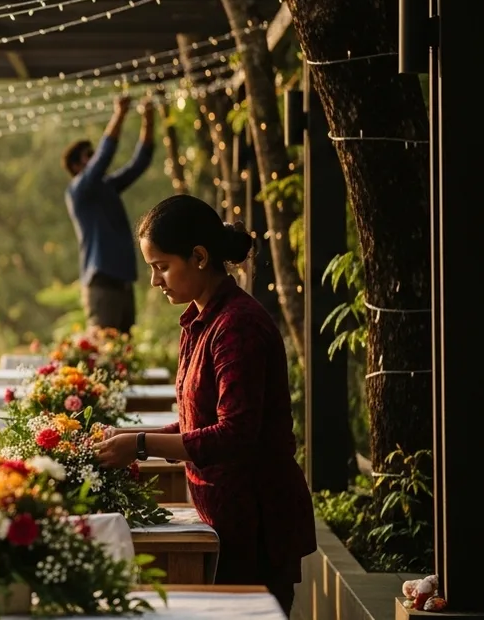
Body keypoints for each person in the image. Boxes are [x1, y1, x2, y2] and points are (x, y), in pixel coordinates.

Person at [95, 194, 315, 616]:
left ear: (198, 256)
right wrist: (127, 440)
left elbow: (235, 434)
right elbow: (196, 424)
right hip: (220, 516)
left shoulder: (238, 326)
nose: (156, 282)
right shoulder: (200, 320)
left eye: (161, 267)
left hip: (255, 522)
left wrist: (140, 445)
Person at [62, 95, 154, 333]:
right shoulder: (78, 191)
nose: (93, 159)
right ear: (75, 167)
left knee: (123, 354)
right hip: (101, 281)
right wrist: (119, 114)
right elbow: (104, 157)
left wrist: (149, 119)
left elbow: (139, 164)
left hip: (123, 280)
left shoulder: (107, 188)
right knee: (104, 352)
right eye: (87, 156)